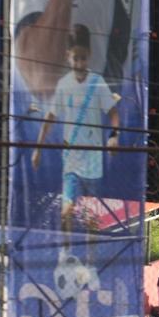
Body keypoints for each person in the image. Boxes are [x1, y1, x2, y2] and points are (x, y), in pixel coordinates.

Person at [31, 24, 120, 223]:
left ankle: (92, 255)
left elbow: (113, 112)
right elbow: (50, 118)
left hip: (93, 159)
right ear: (67, 56)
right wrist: (37, 149)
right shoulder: (64, 84)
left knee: (92, 219)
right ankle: (65, 253)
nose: (79, 62)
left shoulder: (97, 82)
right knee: (66, 212)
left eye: (83, 58)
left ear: (88, 55)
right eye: (75, 58)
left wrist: (114, 136)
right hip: (71, 157)